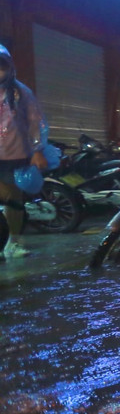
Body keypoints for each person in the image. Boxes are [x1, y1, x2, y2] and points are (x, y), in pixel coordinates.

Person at [0, 45, 50, 258]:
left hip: (15, 155)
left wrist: (37, 149)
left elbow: (35, 122)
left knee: (13, 200)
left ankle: (13, 242)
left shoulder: (20, 92)